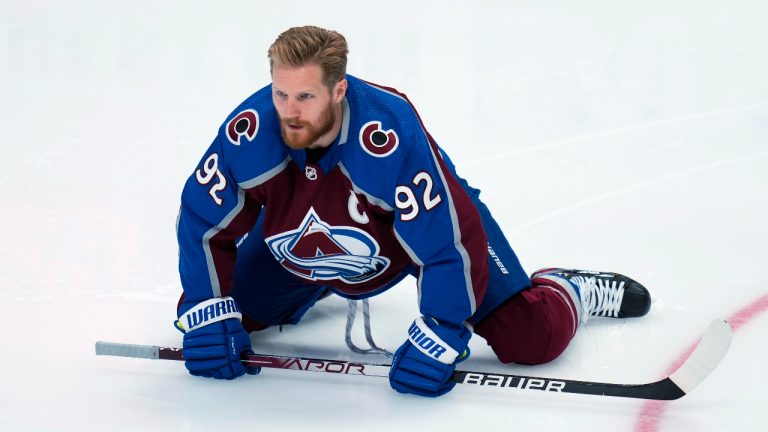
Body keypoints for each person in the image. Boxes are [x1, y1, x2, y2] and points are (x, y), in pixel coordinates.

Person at [174, 26, 651, 397]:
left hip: (422, 233)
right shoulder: (249, 131)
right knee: (239, 316)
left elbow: (448, 244)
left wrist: (442, 329)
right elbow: (200, 221)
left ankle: (569, 288)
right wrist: (203, 308)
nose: (289, 111)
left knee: (531, 339)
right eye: (280, 93)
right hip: (310, 232)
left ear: (339, 91)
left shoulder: (387, 137)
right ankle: (316, 283)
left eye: (305, 96)